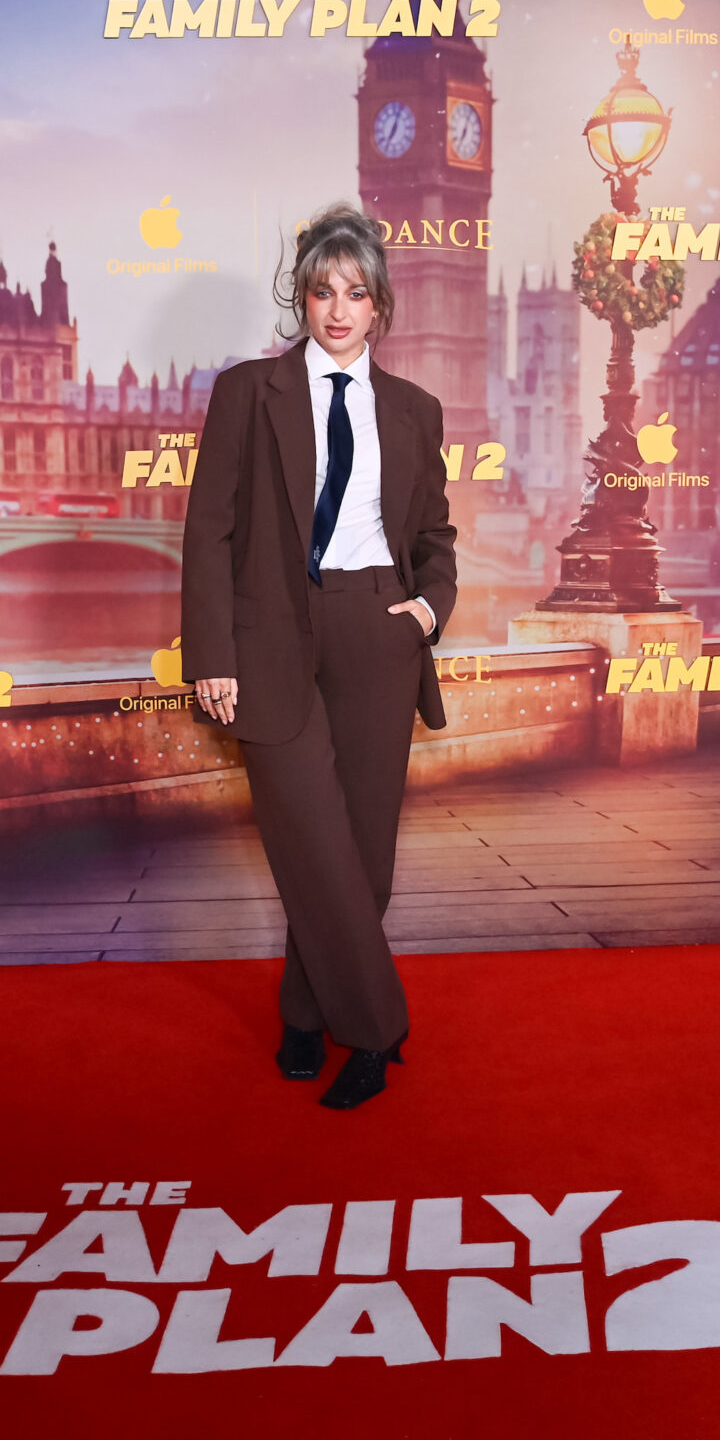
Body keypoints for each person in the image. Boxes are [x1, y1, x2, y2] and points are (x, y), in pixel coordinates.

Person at [179, 202, 457, 1109]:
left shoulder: (415, 411)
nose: (338, 309)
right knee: (313, 840)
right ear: (299, 295)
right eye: (321, 289)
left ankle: (305, 1013)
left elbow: (435, 536)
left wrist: (423, 613)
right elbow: (209, 534)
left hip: (378, 629)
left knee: (365, 854)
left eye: (356, 292)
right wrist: (211, 653)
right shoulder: (244, 393)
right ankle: (378, 1030)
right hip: (270, 641)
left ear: (379, 304)